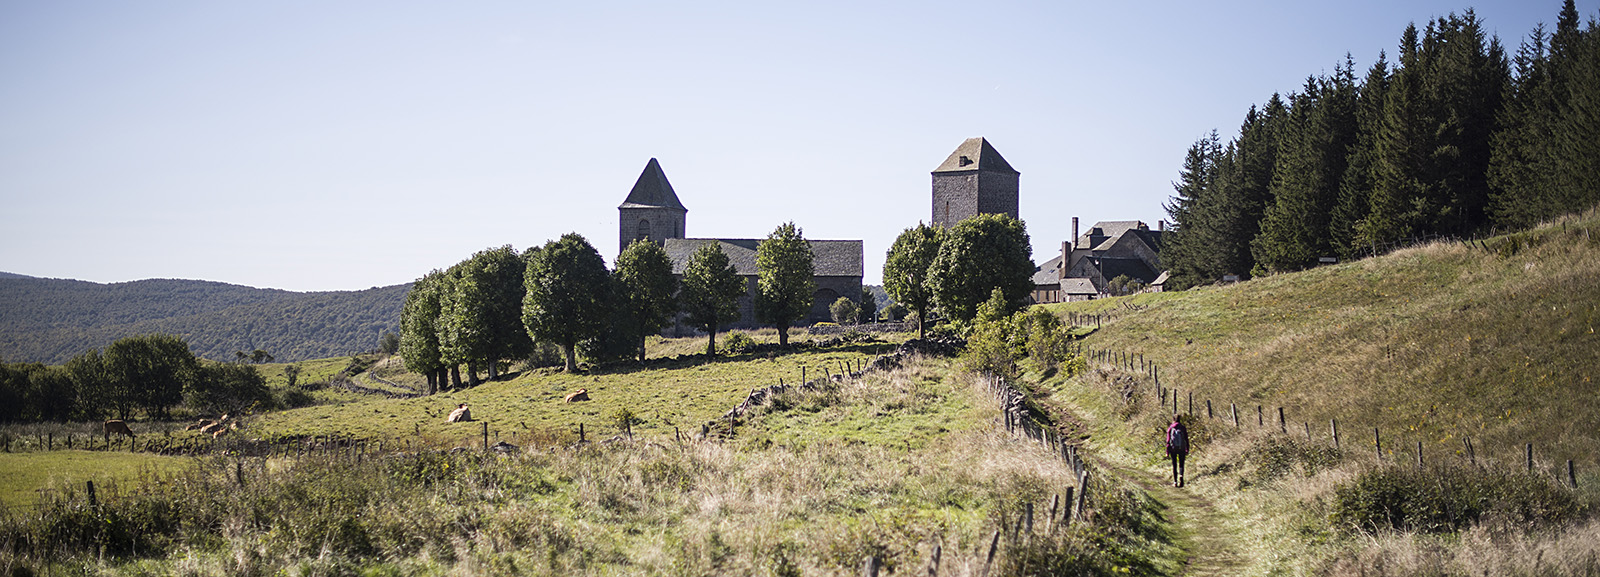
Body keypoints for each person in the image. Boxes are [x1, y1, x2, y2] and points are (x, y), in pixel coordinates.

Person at [1166, 414, 1190, 487]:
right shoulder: (1183, 427)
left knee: (1174, 464)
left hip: (1173, 448)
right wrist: (1187, 448)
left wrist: (1167, 451)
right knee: (1181, 464)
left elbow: (1168, 440)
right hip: (1182, 448)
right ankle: (1181, 477)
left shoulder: (1170, 428)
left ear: (1173, 419)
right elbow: (1186, 439)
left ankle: (1175, 482)